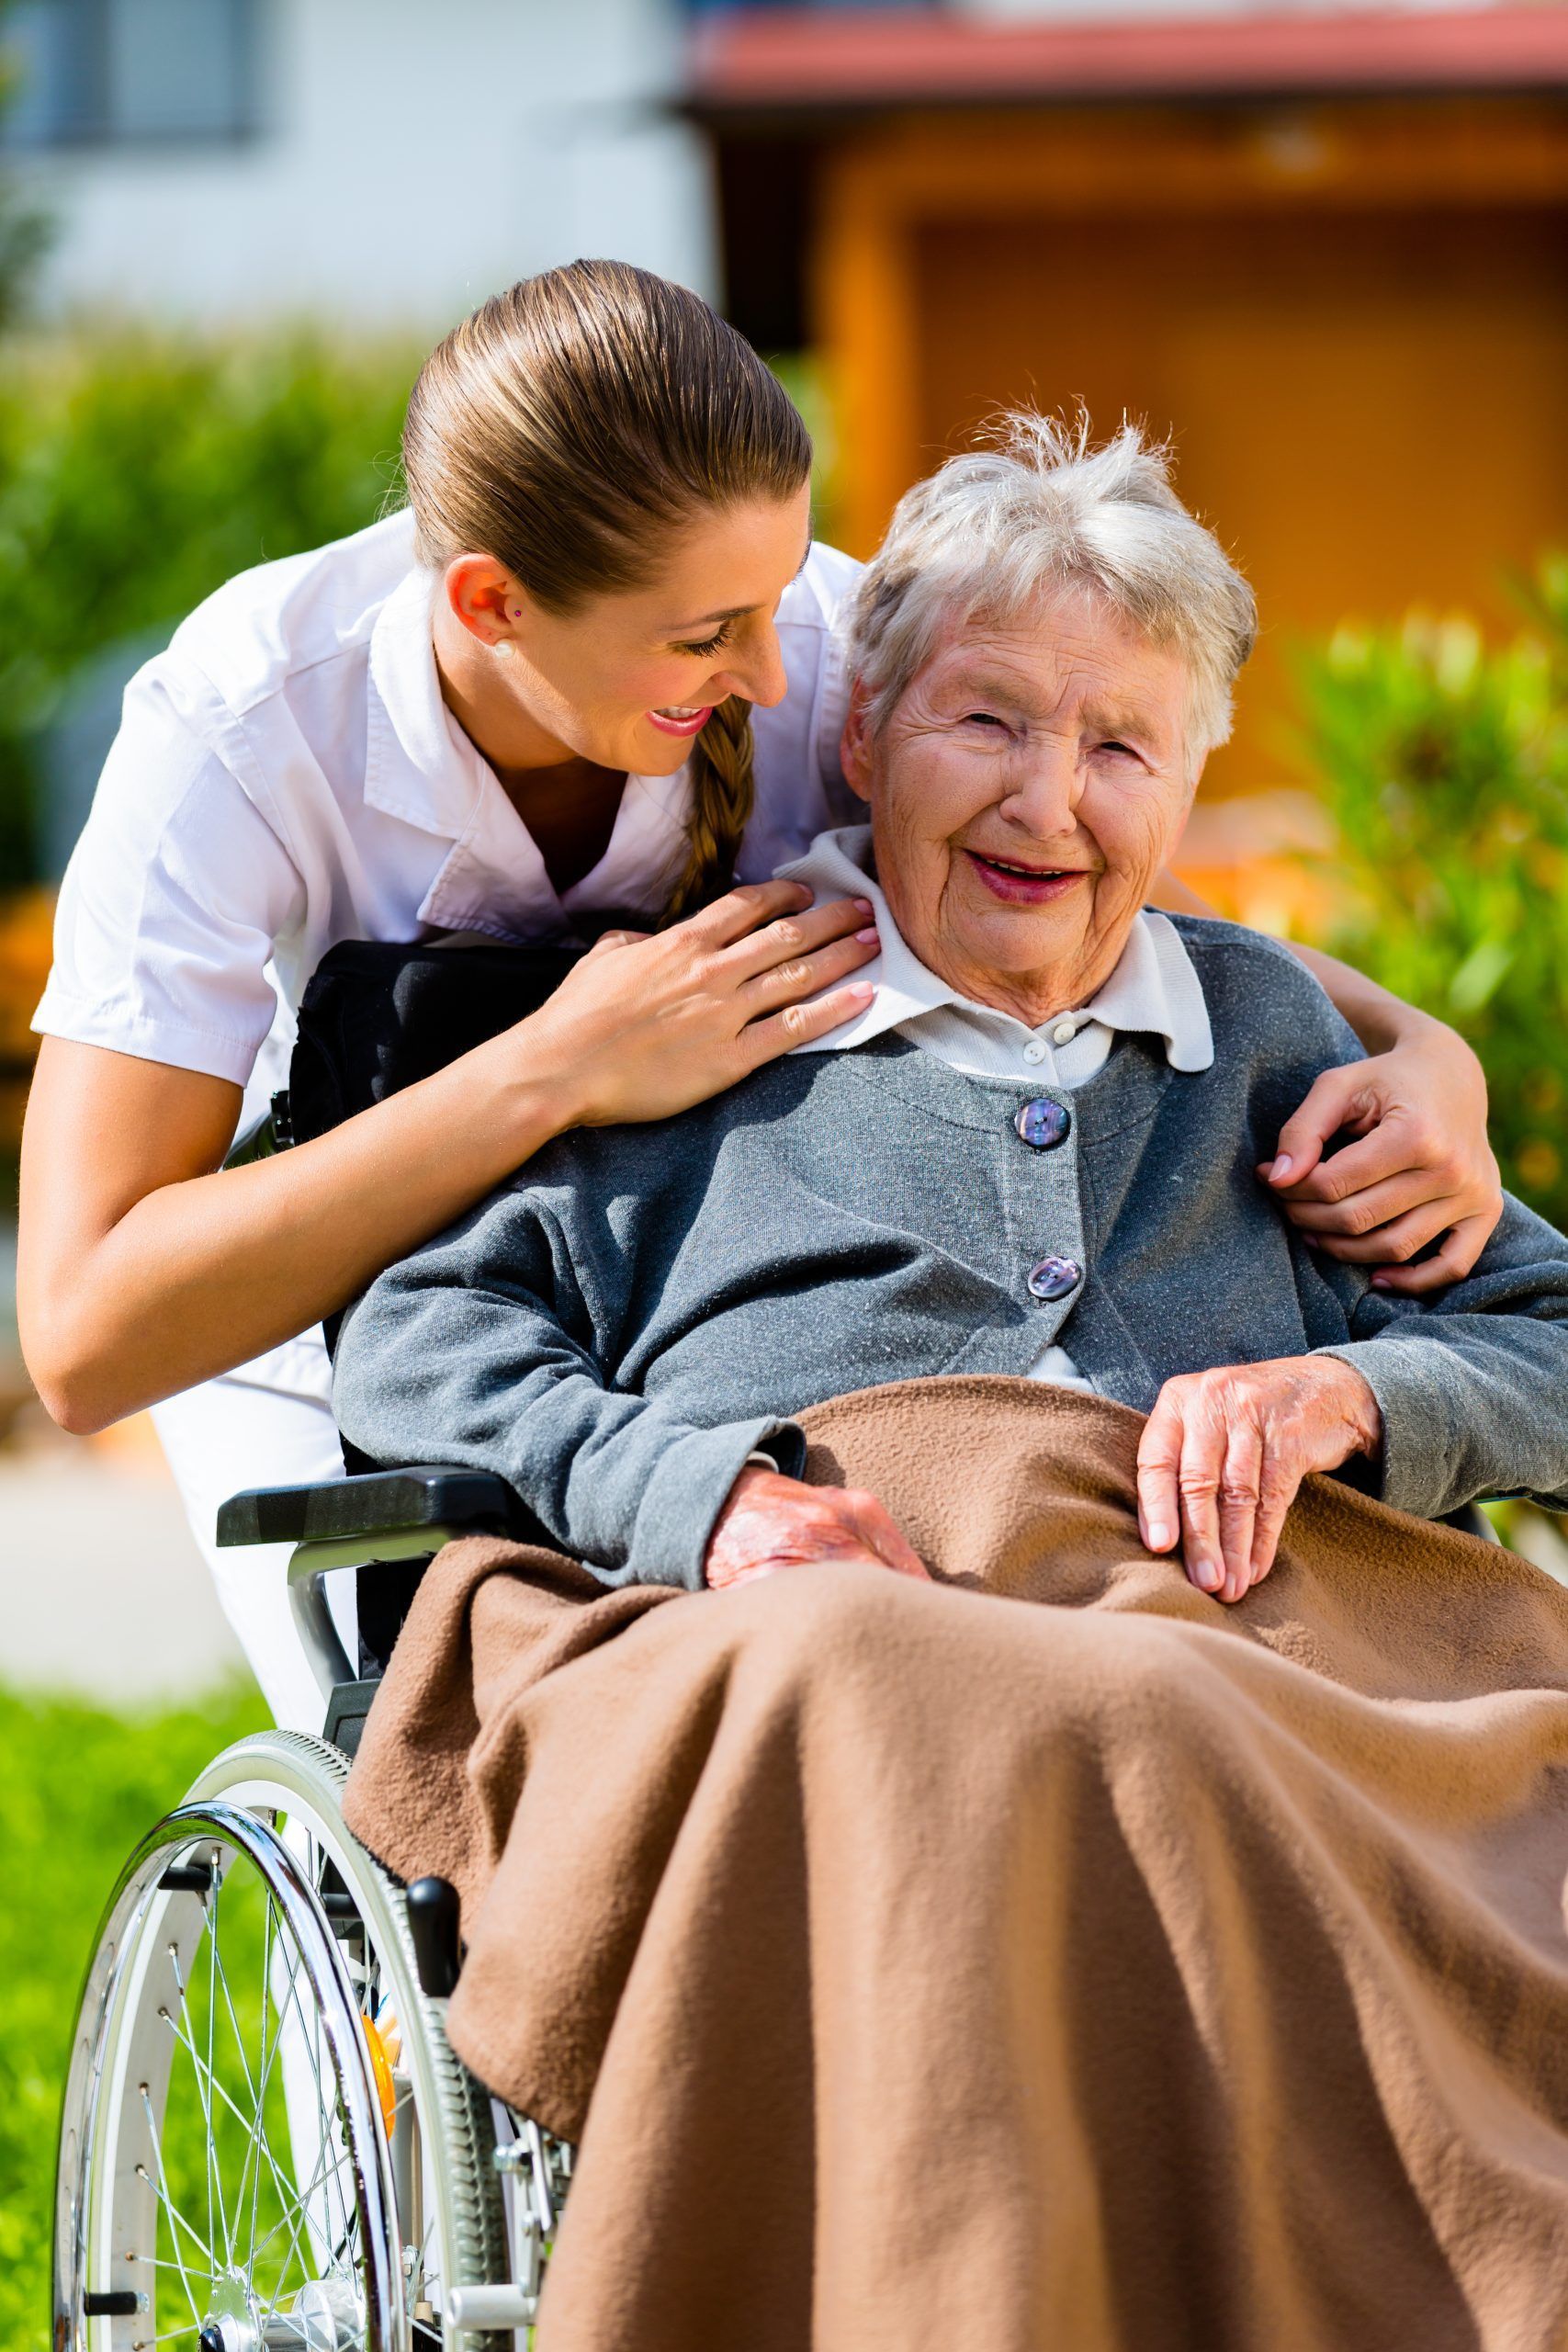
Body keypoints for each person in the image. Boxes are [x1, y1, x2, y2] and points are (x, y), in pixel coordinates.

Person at [329, 416, 1568, 2352]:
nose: (1048, 801)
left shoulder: (1268, 1038)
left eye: (1119, 746)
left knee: (1167, 1699)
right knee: (945, 1687)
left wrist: (1358, 1398)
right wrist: (701, 1495)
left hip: (1267, 1649)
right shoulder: (709, 1002)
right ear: (864, 729)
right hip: (819, 1618)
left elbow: (1546, 1338)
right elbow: (424, 1333)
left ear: (1188, 786)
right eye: (985, 722)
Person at [19, 266, 1500, 1727]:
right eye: (702, 641)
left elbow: (1096, 890)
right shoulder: (248, 728)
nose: (774, 677)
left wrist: (1420, 1050)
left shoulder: (812, 647)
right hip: (338, 1301)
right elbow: (87, 1337)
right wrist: (554, 1071)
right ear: (491, 602)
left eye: (777, 598)